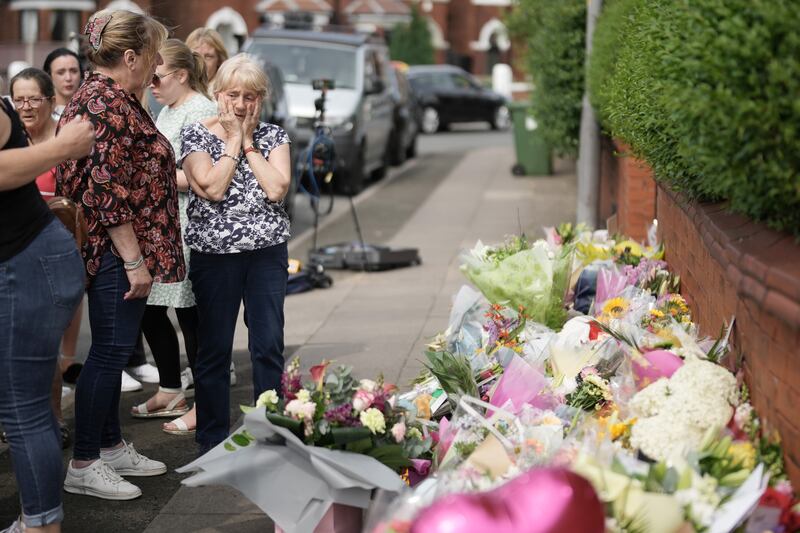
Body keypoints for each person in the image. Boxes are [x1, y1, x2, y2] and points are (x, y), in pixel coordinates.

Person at [57, 9, 185, 501]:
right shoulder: (104, 103)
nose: (154, 69)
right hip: (114, 253)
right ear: (128, 57)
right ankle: (85, 462)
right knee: (110, 353)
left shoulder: (108, 97)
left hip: (117, 250)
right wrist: (134, 260)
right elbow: (105, 192)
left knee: (113, 351)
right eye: (150, 57)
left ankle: (108, 445)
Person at [181, 54, 291, 454]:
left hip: (266, 254)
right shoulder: (196, 135)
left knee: (268, 344)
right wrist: (231, 140)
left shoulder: (274, 136)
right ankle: (211, 437)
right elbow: (211, 187)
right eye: (233, 95)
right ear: (217, 94)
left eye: (250, 96)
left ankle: (269, 431)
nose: (241, 105)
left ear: (261, 99)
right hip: (215, 256)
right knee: (213, 349)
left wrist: (246, 142)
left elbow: (277, 188)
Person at [0, 80, 95, 533]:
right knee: (27, 407)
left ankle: (40, 525)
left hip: (27, 264)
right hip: (29, 262)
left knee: (24, 409)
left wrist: (61, 147)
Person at [130, 39, 217, 436]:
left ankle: (205, 403)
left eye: (158, 76)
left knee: (190, 316)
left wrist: (149, 181)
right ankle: (170, 387)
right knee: (151, 308)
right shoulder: (169, 108)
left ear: (182, 75)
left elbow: (204, 176)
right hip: (163, 224)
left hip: (187, 223)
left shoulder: (201, 110)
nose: (151, 83)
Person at [9, 67, 77, 448]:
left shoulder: (63, 143)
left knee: (43, 346)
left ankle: (54, 418)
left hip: (52, 255)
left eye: (34, 98)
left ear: (51, 100)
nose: (26, 106)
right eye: (18, 99)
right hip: (11, 254)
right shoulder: (8, 141)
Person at [43, 48, 82, 122]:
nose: (68, 78)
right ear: (49, 76)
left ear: (81, 74)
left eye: (74, 71)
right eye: (60, 72)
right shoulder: (42, 113)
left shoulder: (92, 110)